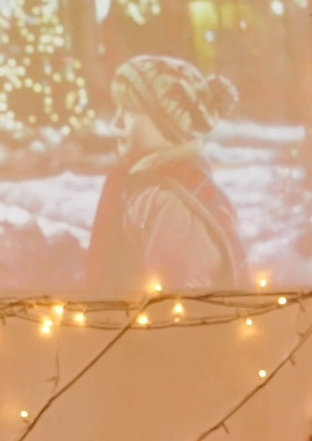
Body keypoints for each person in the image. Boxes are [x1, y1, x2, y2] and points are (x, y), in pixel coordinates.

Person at [84, 54, 245, 294]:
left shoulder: (173, 205)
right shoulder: (140, 184)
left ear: (169, 122)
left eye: (130, 110)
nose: (117, 121)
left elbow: (175, 302)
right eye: (118, 108)